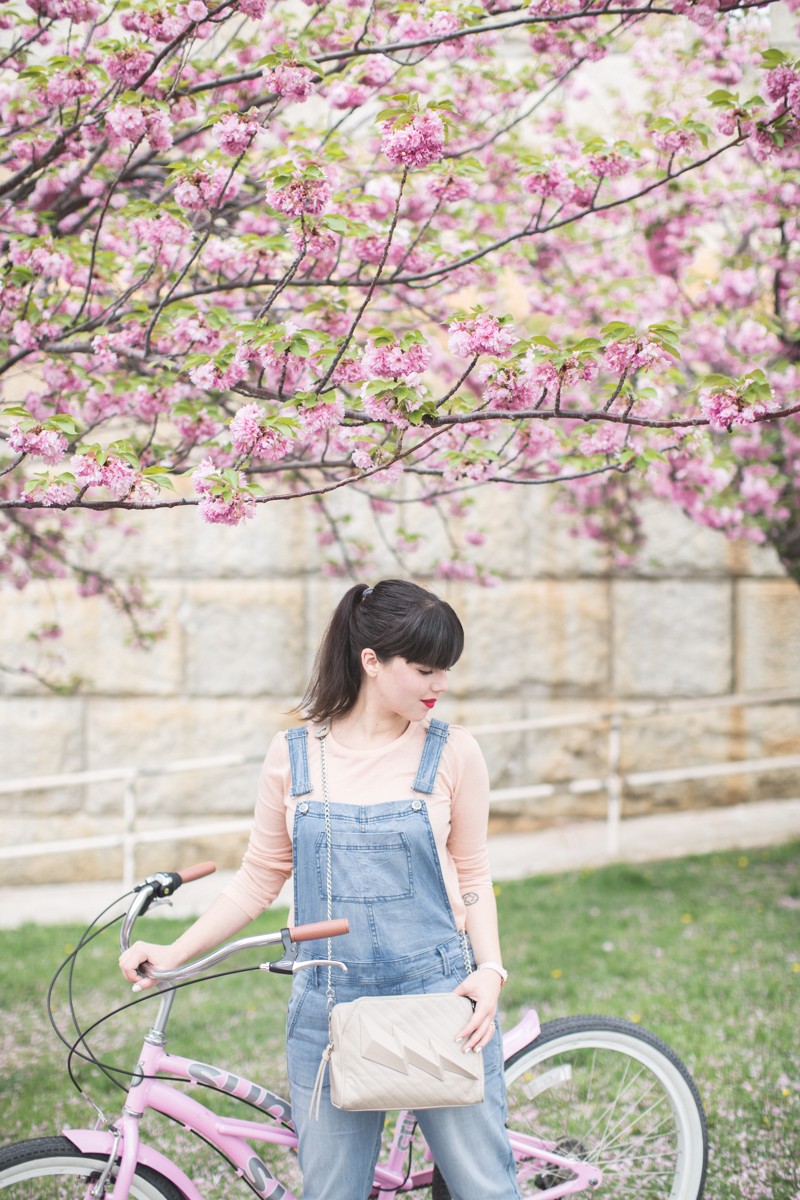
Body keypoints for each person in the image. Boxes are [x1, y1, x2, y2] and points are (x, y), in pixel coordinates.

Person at [119, 579, 520, 1200]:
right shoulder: (294, 755)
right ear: (371, 662)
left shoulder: (455, 752)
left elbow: (472, 873)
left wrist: (490, 971)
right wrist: (174, 953)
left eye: (445, 669)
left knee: (484, 1189)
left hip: (440, 1003)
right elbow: (258, 878)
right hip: (326, 1011)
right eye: (423, 669)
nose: (440, 684)